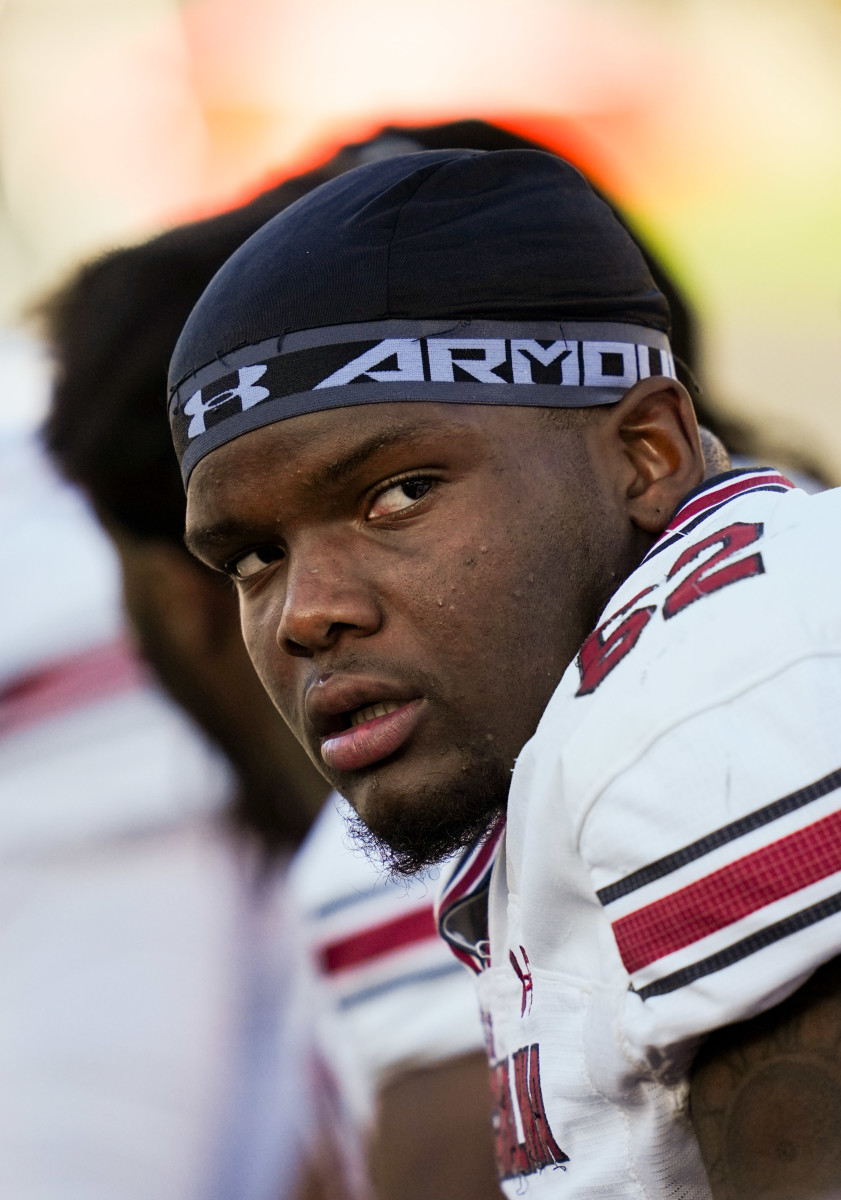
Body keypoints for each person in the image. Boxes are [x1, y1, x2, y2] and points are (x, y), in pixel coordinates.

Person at [169, 146, 841, 1199]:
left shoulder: (706, 680)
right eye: (254, 557)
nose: (307, 613)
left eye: (400, 493)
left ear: (646, 453)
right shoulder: (588, 727)